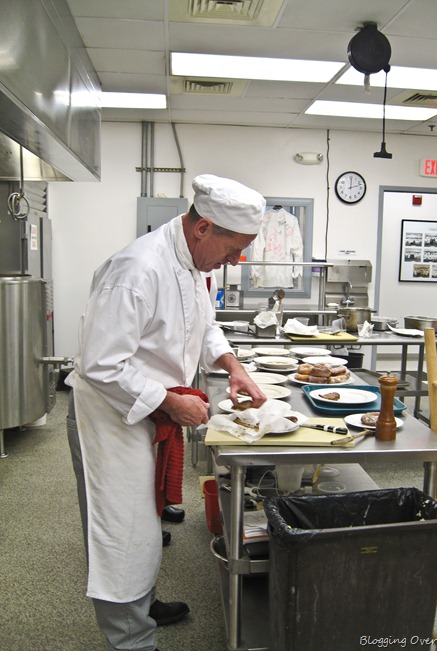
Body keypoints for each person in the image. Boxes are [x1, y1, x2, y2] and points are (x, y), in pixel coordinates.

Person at [66, 174, 267, 651]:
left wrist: (231, 366)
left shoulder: (193, 264)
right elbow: (99, 363)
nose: (236, 260)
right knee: (122, 529)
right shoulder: (137, 269)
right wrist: (171, 402)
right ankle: (132, 637)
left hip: (151, 415)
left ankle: (145, 602)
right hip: (111, 420)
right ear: (204, 229)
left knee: (150, 514)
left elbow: (206, 325)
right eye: (234, 248)